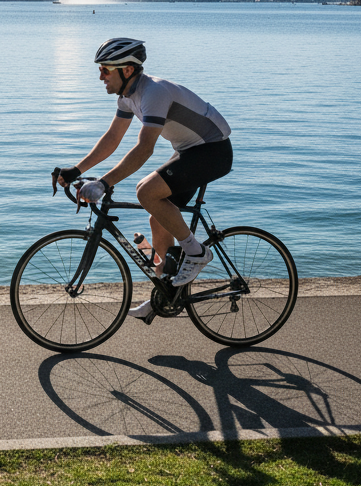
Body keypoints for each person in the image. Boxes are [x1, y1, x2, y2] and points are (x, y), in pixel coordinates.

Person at [56, 37, 233, 322]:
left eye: (105, 69)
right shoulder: (128, 96)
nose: (100, 76)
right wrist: (76, 171)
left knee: (146, 192)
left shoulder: (154, 93)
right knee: (157, 218)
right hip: (190, 151)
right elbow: (112, 139)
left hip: (213, 151)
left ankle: (197, 251)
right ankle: (164, 294)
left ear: (126, 69)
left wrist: (103, 183)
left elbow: (144, 149)